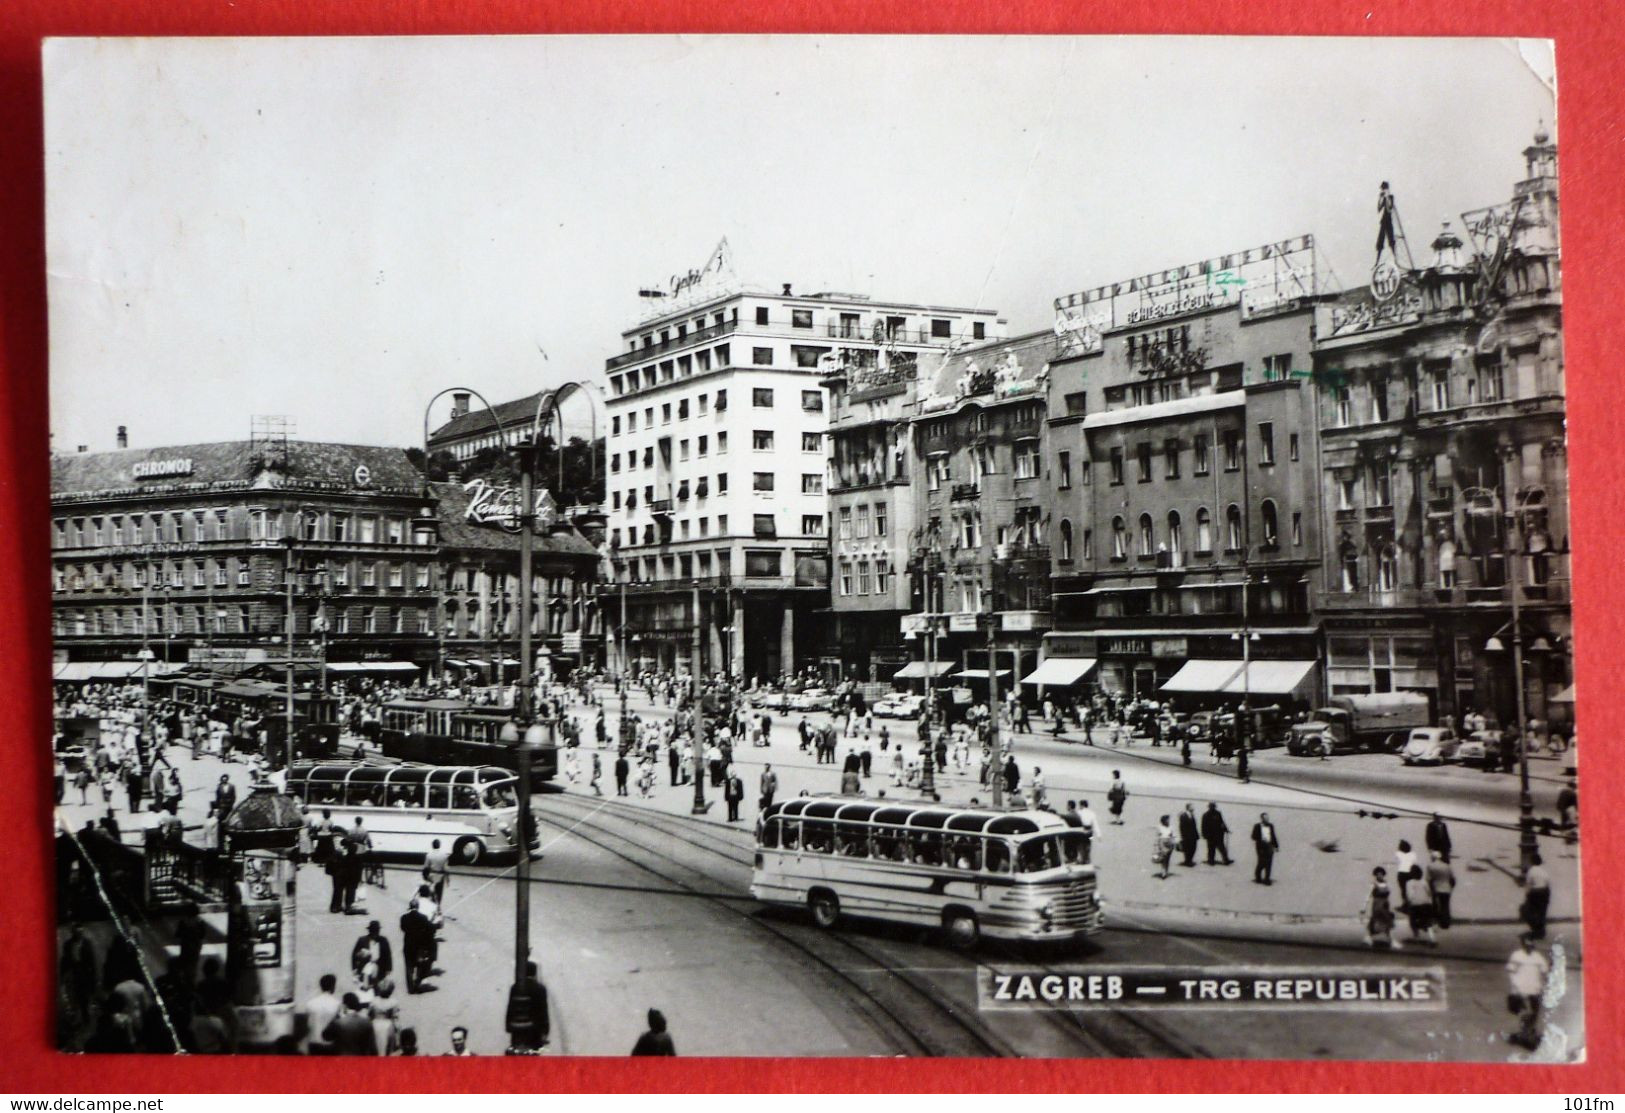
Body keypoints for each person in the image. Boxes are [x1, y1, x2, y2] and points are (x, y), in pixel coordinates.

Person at [1506, 933, 1551, 1050]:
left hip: (1535, 989)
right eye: (1526, 944)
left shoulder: (1538, 957)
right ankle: (1525, 1035)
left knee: (1534, 1013)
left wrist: (1550, 967)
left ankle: (1528, 1034)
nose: (1529, 947)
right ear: (1522, 945)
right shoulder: (1516, 956)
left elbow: (1545, 970)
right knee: (1526, 1013)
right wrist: (1515, 988)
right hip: (1520, 990)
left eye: (1531, 945)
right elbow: (1511, 972)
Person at [305, 974, 343, 1054]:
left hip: (313, 1042)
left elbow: (308, 1024)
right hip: (330, 1044)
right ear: (333, 986)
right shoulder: (337, 1004)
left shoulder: (310, 1003)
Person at [350, 921, 393, 992]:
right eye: (374, 931)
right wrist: (354, 968)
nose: (375, 933)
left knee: (378, 988)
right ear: (370, 931)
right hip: (365, 967)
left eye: (377, 931)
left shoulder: (383, 940)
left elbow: (388, 955)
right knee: (366, 987)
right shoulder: (362, 940)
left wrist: (388, 969)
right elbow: (354, 955)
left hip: (380, 967)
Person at [1361, 867, 1396, 948]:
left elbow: (1389, 895)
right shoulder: (1373, 884)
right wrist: (1363, 907)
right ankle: (1368, 938)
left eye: (1381, 874)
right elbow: (1368, 896)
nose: (1380, 876)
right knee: (1374, 920)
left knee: (1387, 921)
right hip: (1377, 905)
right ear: (1375, 875)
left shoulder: (1387, 884)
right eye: (1378, 874)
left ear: (1383, 875)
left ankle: (1390, 939)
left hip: (1385, 905)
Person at [1402, 866, 1437, 946]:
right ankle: (1432, 938)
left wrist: (1408, 903)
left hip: (1415, 905)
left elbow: (1410, 895)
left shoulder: (1409, 883)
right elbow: (1429, 893)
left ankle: (1416, 936)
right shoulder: (1424, 882)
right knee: (1427, 922)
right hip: (1426, 904)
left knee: (1413, 921)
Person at [1522, 853, 1552, 940]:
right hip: (1545, 892)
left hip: (1535, 893)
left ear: (1532, 862)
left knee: (1531, 912)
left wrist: (1527, 895)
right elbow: (1548, 883)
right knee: (1542, 912)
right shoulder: (1544, 871)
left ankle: (1535, 930)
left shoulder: (1531, 871)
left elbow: (1528, 885)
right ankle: (1541, 931)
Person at [369, 977, 401, 1056]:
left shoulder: (374, 1001)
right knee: (388, 1049)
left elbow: (369, 1015)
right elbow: (395, 1019)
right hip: (387, 1024)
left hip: (375, 1024)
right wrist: (398, 1036)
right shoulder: (393, 1002)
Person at [1427, 850, 1456, 929]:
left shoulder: (1430, 866)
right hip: (1447, 888)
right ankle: (1445, 923)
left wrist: (1430, 889)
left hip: (1436, 888)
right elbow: (1453, 880)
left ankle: (1437, 921)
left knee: (1436, 905)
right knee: (1445, 906)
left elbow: (1429, 879)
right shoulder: (1447, 866)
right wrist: (1451, 887)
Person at [1251, 812, 1280, 885]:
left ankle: (1267, 879)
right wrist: (1261, 838)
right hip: (1261, 848)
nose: (1267, 819)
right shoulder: (1257, 826)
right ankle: (1258, 877)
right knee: (1261, 863)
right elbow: (1253, 837)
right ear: (1262, 819)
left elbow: (1273, 836)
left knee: (1269, 863)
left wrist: (1276, 846)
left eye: (1267, 817)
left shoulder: (1271, 826)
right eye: (1265, 818)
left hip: (1269, 847)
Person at [423, 839, 451, 905]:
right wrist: (448, 879)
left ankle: (433, 903)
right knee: (439, 893)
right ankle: (438, 905)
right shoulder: (444, 855)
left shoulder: (429, 855)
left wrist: (425, 877)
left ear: (432, 846)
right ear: (440, 845)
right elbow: (446, 869)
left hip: (432, 875)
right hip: (440, 876)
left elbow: (426, 867)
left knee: (432, 891)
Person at [1178, 803, 1200, 868]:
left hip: (1193, 835)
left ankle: (1189, 860)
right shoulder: (1183, 815)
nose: (1193, 808)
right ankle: (1187, 861)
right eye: (1192, 807)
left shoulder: (1192, 815)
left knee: (1193, 848)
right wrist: (1183, 836)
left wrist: (1197, 835)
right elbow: (1182, 827)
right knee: (1187, 849)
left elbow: (1194, 826)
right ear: (1188, 807)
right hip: (1187, 836)